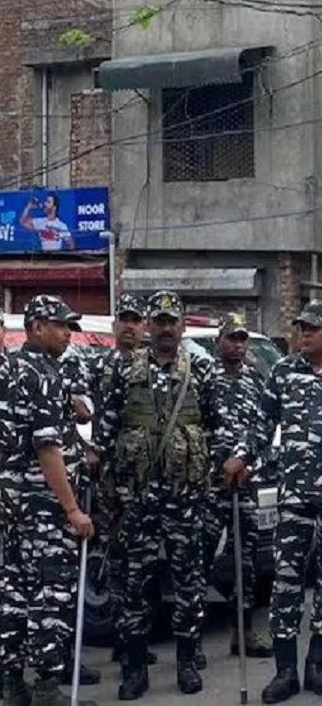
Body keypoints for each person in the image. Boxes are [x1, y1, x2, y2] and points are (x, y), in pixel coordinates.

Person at [96, 290, 222, 699]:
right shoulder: (124, 372)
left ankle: (187, 662)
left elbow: (217, 429)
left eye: (172, 321)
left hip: (185, 499)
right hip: (138, 500)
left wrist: (219, 474)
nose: (166, 329)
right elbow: (106, 429)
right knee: (135, 586)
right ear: (149, 326)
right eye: (159, 321)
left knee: (188, 584)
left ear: (182, 326)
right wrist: (109, 491)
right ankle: (134, 668)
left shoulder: (201, 371)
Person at [226, 301, 322, 703]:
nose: (304, 335)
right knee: (286, 583)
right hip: (294, 495)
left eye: (312, 328)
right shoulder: (283, 372)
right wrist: (244, 456)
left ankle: (317, 665)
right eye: (300, 328)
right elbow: (262, 424)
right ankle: (285, 671)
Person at [0, 296, 95, 706]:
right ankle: (45, 688)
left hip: (11, 502)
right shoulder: (42, 374)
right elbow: (48, 450)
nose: (67, 334)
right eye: (59, 326)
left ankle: (11, 684)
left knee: (13, 592)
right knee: (50, 593)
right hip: (43, 504)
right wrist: (71, 508)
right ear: (36, 326)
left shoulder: (9, 369)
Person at [60, 294, 153, 671]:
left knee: (145, 565)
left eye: (136, 319)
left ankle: (137, 639)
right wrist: (86, 447)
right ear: (115, 325)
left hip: (149, 482)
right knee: (115, 563)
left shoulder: (156, 369)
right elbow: (58, 395)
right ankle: (120, 637)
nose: (129, 326)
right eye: (124, 319)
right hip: (111, 483)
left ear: (144, 326)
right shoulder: (98, 364)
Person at [202, 314, 271, 668]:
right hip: (210, 483)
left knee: (246, 558)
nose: (238, 345)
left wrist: (252, 464)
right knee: (198, 559)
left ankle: (242, 632)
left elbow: (263, 427)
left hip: (244, 484)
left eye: (242, 339)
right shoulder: (203, 379)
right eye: (232, 338)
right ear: (219, 340)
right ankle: (191, 638)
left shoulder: (255, 381)